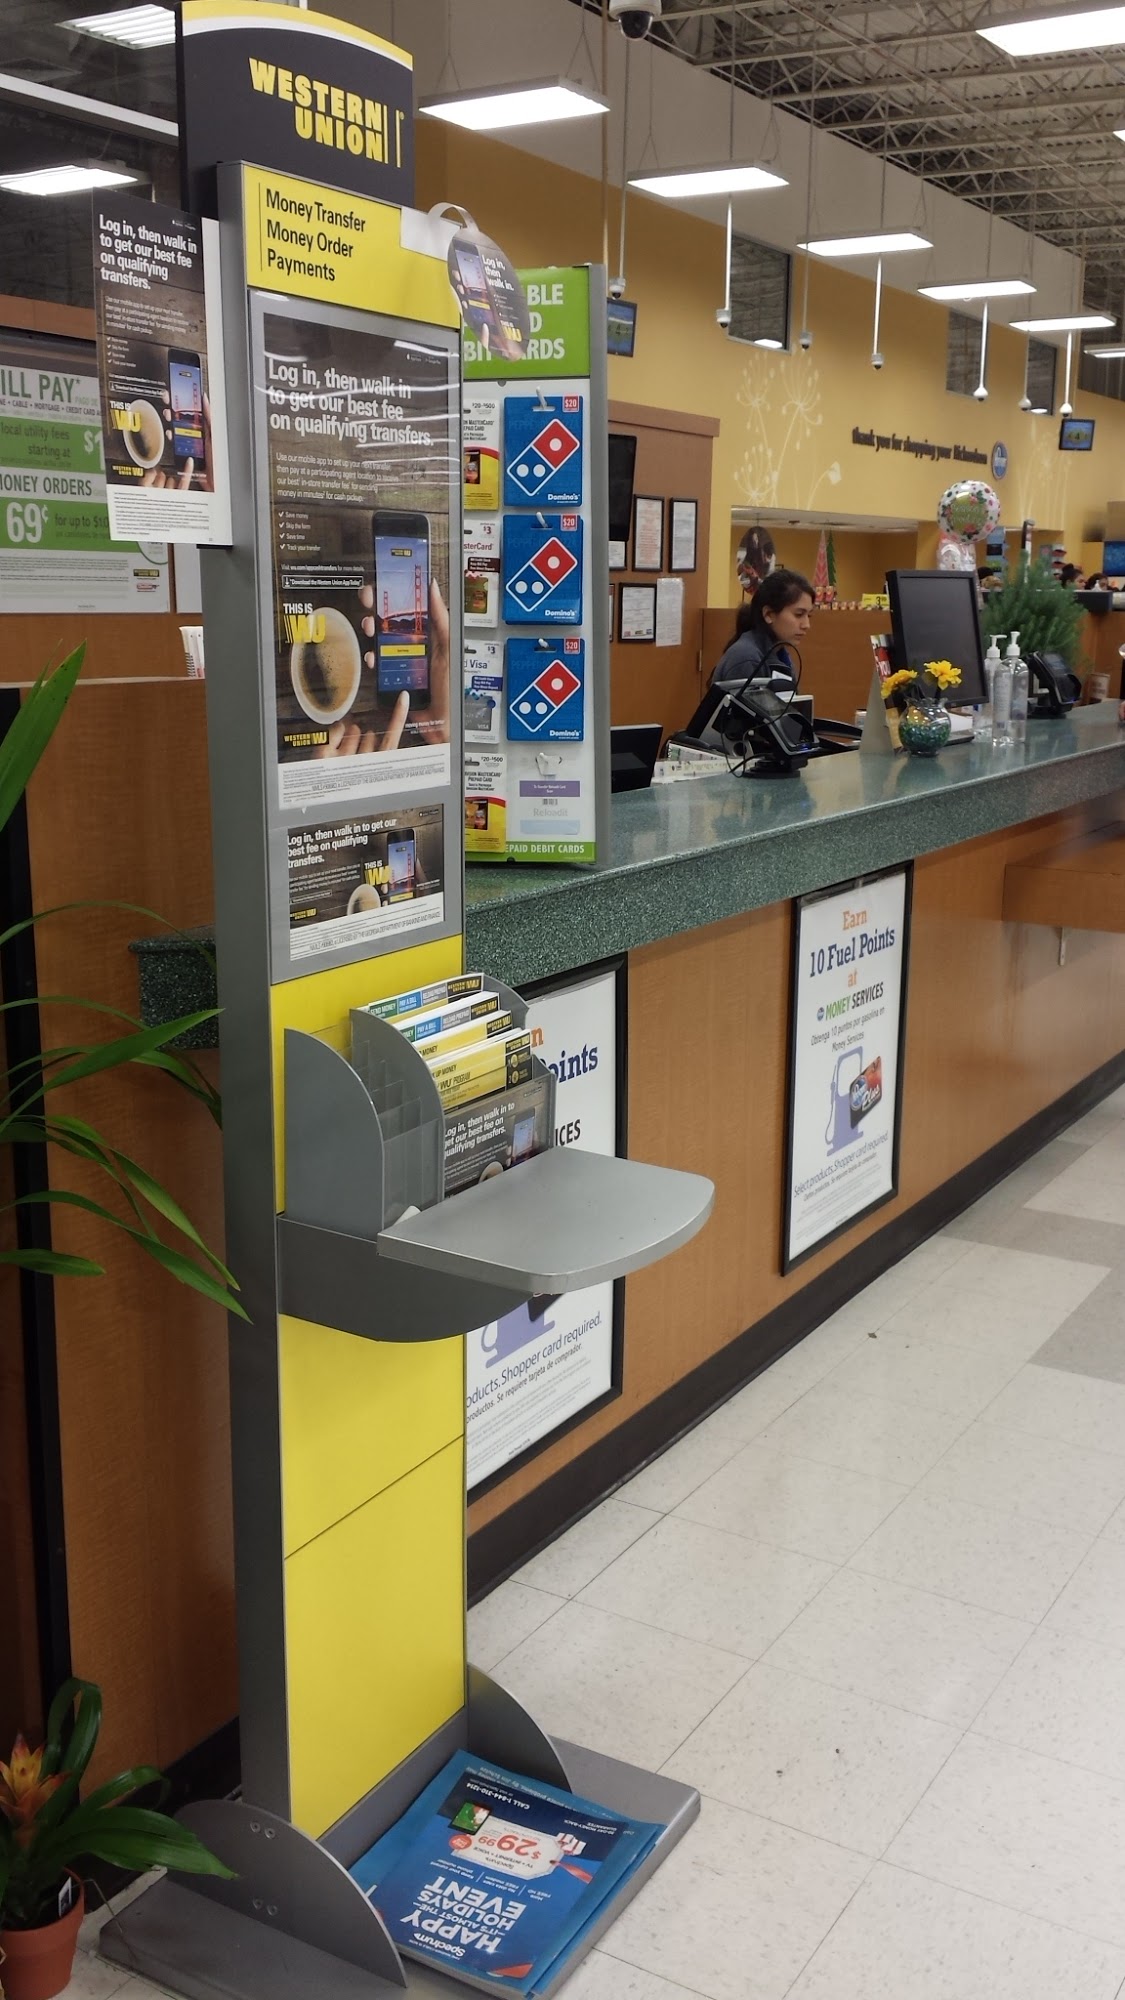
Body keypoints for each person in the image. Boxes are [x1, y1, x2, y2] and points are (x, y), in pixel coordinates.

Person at [709, 569, 815, 695]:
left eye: (809, 615)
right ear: (768, 614)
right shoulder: (747, 658)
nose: (806, 625)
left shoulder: (779, 653)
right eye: (798, 614)